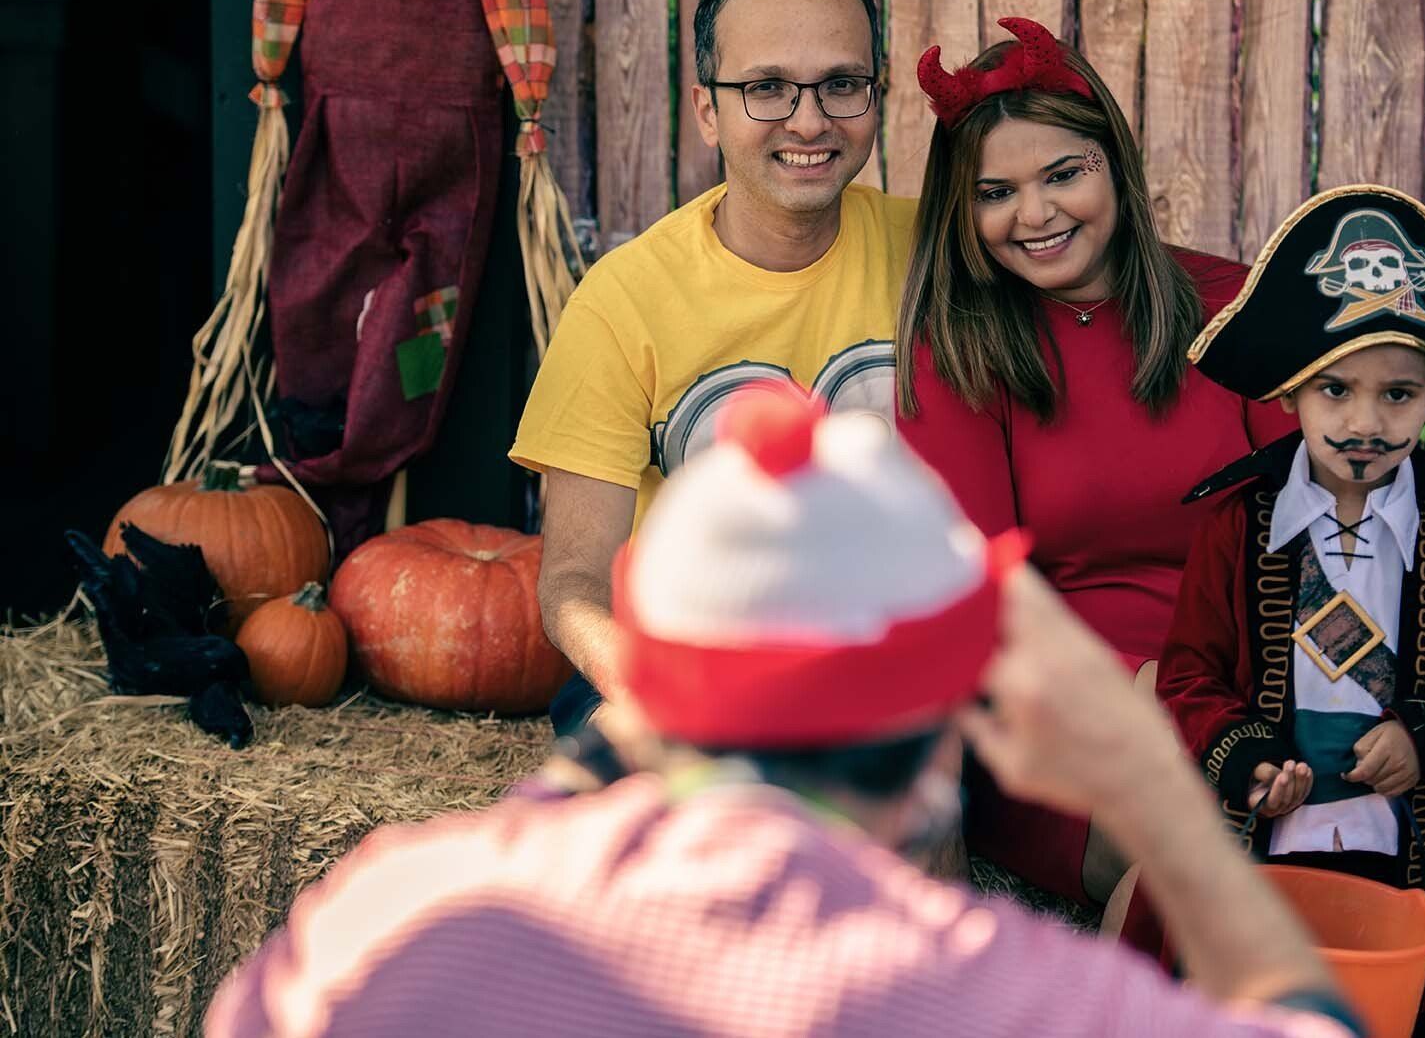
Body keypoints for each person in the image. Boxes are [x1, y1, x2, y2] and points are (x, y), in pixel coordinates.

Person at [205, 390, 1364, 1038]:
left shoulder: (391, 909)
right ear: (937, 760)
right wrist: (1150, 789)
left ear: (642, 701)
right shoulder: (984, 994)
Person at [895, 17, 1295, 904]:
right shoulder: (957, 352)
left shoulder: (1232, 304)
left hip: (1247, 681)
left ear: (1114, 160)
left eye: (1063, 174)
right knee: (1194, 864)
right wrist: (1140, 689)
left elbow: (1311, 527)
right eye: (996, 191)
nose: (1034, 215)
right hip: (1065, 716)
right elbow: (978, 600)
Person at [1146, 185, 1425, 1035]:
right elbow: (1186, 674)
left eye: (1398, 394)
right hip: (1262, 842)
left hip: (1394, 849)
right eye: (1335, 390)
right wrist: (1247, 757)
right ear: (1290, 391)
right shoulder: (1238, 524)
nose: (1365, 421)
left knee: (1381, 1009)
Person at [510, 0, 915, 733]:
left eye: (841, 84)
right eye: (766, 86)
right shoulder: (624, 300)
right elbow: (573, 585)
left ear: (878, 95)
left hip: (882, 666)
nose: (809, 119)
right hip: (680, 667)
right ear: (708, 109)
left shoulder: (936, 254)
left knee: (913, 792)